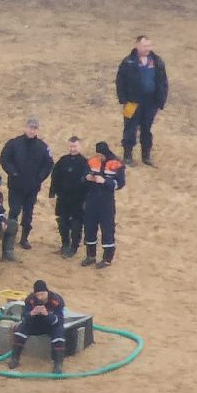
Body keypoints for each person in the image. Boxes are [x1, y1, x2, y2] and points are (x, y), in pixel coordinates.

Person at [0, 117, 53, 253]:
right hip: (16, 186)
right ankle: (9, 239)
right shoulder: (14, 143)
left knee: (28, 213)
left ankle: (24, 238)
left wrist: (39, 178)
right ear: (25, 128)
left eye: (34, 128)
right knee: (14, 211)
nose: (31, 130)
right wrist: (13, 172)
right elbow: (4, 158)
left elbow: (48, 165)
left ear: (37, 130)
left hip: (32, 187)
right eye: (30, 127)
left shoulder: (42, 147)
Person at [115, 35, 169, 167]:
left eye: (149, 46)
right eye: (145, 46)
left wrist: (160, 101)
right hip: (132, 103)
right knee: (130, 129)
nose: (148, 49)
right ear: (137, 46)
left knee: (146, 129)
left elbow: (163, 82)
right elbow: (120, 81)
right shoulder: (128, 62)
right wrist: (123, 100)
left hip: (150, 104)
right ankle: (127, 156)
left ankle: (146, 156)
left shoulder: (157, 62)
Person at [81, 141, 126, 268]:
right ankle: (90, 256)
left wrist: (105, 181)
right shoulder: (92, 161)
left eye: (101, 154)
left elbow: (120, 184)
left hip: (106, 202)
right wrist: (87, 177)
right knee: (89, 228)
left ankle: (107, 259)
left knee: (107, 229)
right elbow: (83, 176)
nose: (98, 156)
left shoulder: (117, 163)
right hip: (91, 200)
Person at [10, 279, 68, 374]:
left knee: (59, 331)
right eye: (38, 295)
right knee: (21, 328)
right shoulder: (30, 300)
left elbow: (60, 320)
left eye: (42, 294)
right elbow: (24, 317)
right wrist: (31, 313)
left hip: (50, 325)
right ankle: (15, 358)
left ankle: (58, 364)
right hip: (35, 324)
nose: (40, 297)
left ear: (47, 292)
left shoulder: (56, 300)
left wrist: (48, 315)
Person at [49, 136, 90, 258]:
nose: (73, 149)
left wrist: (86, 200)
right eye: (71, 146)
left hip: (78, 199)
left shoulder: (85, 163)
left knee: (76, 224)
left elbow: (88, 183)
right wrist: (52, 194)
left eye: (75, 146)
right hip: (63, 198)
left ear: (80, 146)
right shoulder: (63, 160)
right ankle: (65, 244)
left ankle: (74, 247)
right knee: (62, 222)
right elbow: (54, 178)